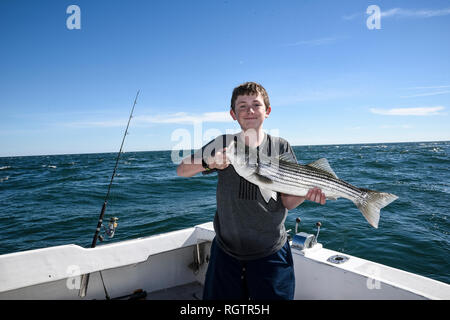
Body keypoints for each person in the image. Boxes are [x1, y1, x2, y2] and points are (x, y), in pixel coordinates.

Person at [176, 82, 326, 300]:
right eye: (242, 106)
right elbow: (182, 169)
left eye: (256, 105)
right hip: (226, 252)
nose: (250, 111)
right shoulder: (223, 142)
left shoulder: (280, 146)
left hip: (271, 251)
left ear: (268, 111)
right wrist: (210, 163)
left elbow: (287, 202)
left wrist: (306, 193)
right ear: (233, 114)